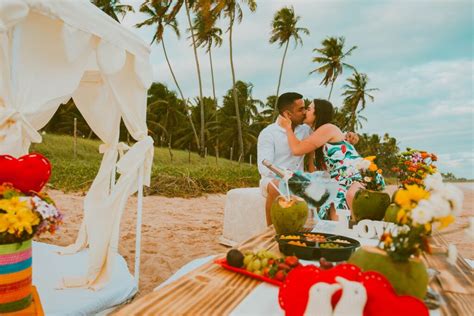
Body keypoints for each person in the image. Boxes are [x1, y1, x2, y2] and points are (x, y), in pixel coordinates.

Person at [257, 93, 358, 225]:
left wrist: (350, 136)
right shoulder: (268, 133)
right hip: (274, 178)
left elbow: (327, 135)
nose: (305, 112)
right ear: (288, 114)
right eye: (301, 109)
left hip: (300, 179)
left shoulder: (305, 130)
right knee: (277, 185)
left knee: (321, 188)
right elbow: (264, 168)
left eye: (306, 108)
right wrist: (287, 177)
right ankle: (270, 231)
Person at [278, 99, 381, 220]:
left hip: (356, 176)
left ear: (319, 114)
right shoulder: (316, 139)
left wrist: (288, 128)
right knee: (333, 219)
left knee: (345, 205)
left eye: (309, 109)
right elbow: (315, 172)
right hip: (339, 182)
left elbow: (296, 150)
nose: (305, 111)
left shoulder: (328, 128)